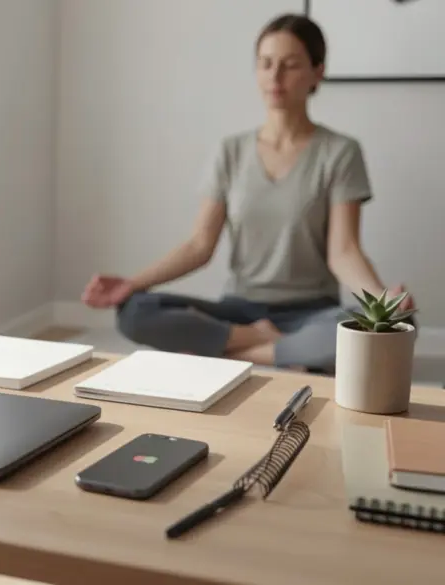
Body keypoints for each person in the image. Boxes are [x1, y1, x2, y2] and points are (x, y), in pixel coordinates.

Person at [80, 13, 415, 374]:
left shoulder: (340, 152)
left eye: (290, 65)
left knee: (388, 324)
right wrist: (131, 284)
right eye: (266, 64)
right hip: (238, 310)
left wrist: (382, 301)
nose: (275, 77)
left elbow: (344, 251)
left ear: (317, 72)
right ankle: (269, 345)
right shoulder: (231, 151)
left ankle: (233, 352)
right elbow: (198, 246)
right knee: (134, 311)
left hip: (311, 312)